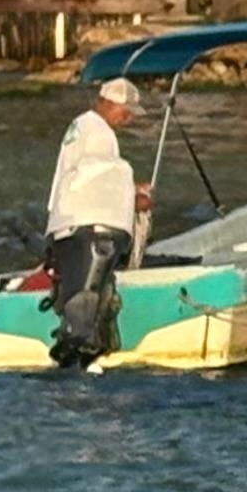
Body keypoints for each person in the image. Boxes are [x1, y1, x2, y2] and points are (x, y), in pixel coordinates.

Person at [41, 78, 149, 371]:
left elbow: (86, 176)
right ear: (107, 103)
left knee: (79, 292)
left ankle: (77, 338)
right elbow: (101, 179)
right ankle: (81, 346)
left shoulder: (81, 125)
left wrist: (128, 188)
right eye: (124, 110)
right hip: (87, 222)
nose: (128, 117)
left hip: (65, 220)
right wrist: (134, 198)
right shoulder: (101, 135)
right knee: (87, 297)